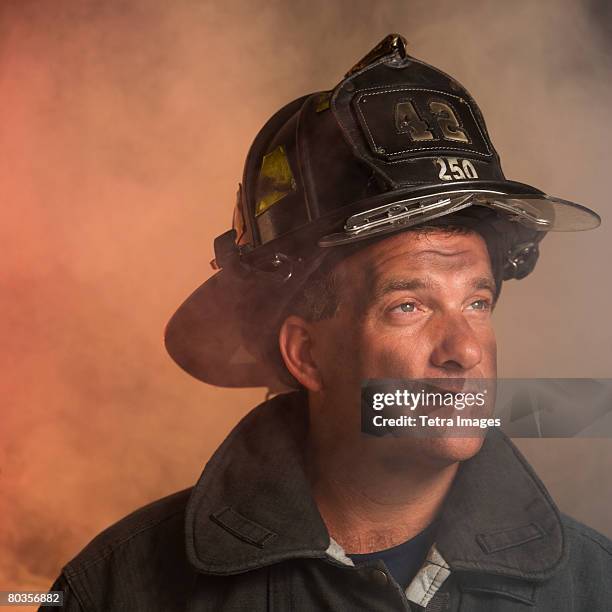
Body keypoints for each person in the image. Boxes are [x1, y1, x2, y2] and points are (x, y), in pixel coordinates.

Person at [43, 34, 611, 611]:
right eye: (408, 306)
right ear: (307, 354)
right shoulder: (118, 590)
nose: (464, 351)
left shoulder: (592, 588)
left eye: (477, 303)